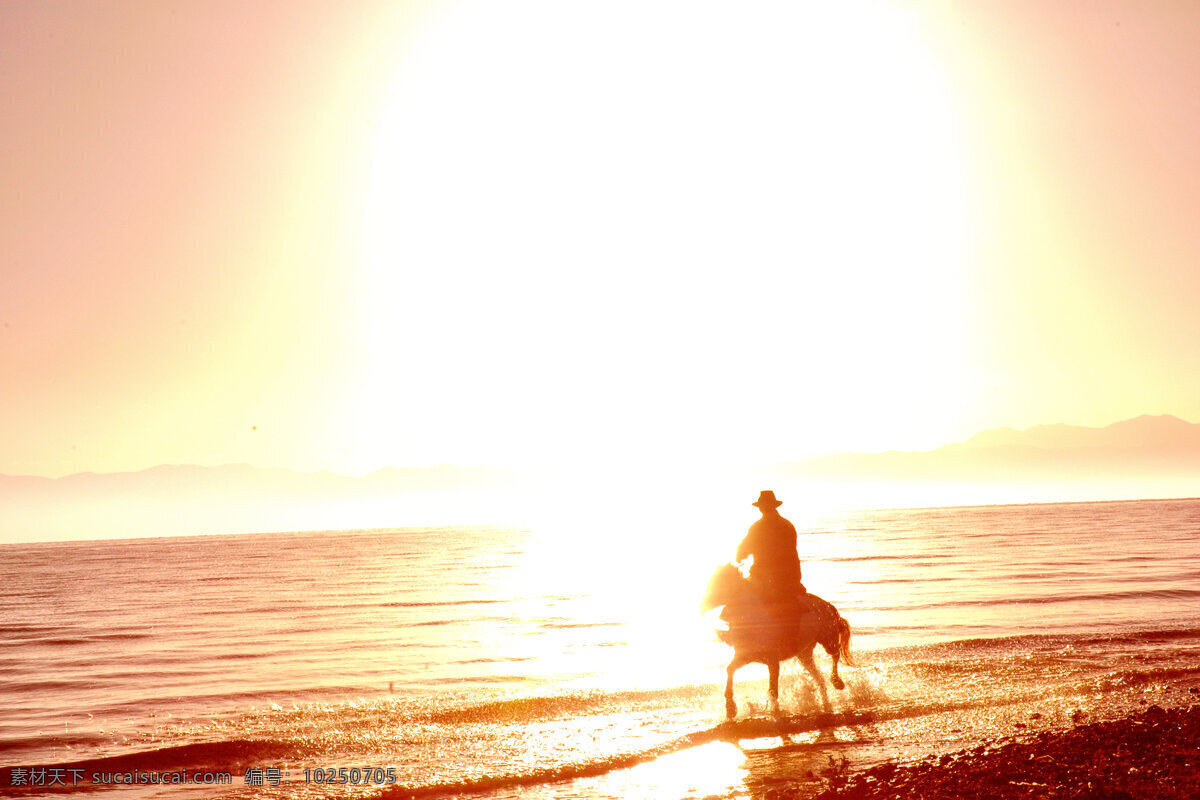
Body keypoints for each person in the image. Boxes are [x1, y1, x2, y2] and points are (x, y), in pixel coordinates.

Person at [736, 490, 805, 621]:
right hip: (787, 575)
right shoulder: (787, 525)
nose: (762, 508)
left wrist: (740, 556)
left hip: (772, 577)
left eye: (763, 505)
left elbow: (742, 550)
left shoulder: (757, 527)